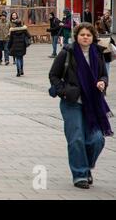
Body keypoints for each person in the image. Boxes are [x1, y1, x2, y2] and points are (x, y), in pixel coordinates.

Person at [49, 22, 113, 189]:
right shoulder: (67, 52)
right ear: (76, 36)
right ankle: (80, 174)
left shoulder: (98, 53)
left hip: (93, 103)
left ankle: (86, 167)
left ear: (93, 38)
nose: (85, 37)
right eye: (82, 34)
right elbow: (54, 75)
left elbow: (103, 75)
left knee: (97, 139)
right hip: (72, 103)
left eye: (89, 35)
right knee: (76, 138)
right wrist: (64, 91)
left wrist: (102, 82)